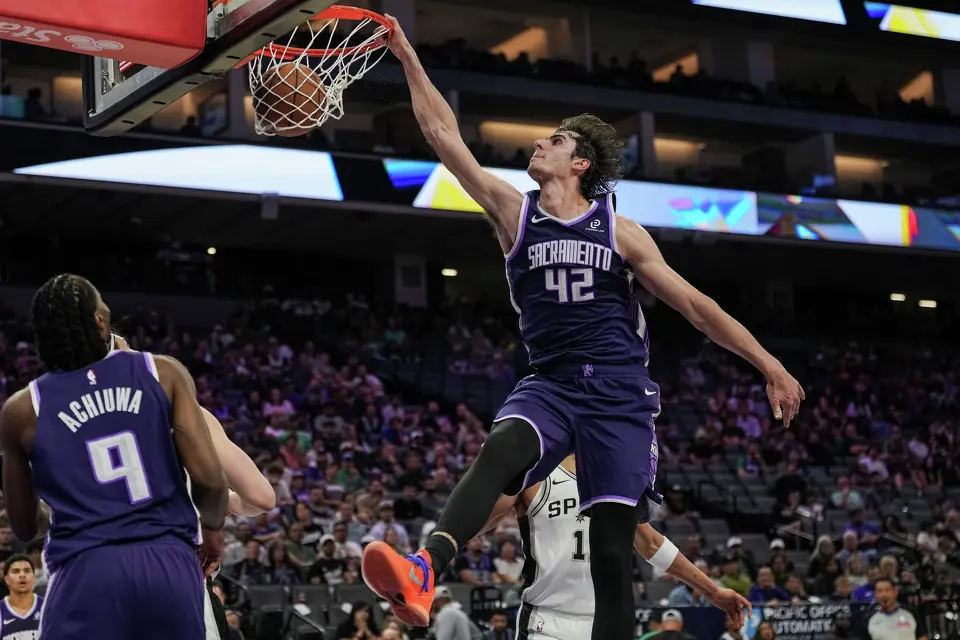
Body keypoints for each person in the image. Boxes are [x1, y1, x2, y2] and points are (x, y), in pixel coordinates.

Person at [362, 16, 803, 640]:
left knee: (612, 553)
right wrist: (407, 55)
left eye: (556, 140)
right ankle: (424, 569)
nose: (541, 144)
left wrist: (770, 364)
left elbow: (697, 307)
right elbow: (441, 134)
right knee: (502, 447)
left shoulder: (620, 232)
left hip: (619, 392)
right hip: (552, 381)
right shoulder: (513, 213)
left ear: (581, 162)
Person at [0, 274, 229, 640]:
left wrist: (65, 508)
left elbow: (26, 527)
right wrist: (213, 530)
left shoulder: (22, 410)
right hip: (168, 563)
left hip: (85, 570)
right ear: (100, 320)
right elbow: (210, 480)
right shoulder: (162, 372)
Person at [113, 333, 276, 640]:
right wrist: (227, 504)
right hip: (177, 580)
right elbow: (262, 497)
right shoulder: (185, 414)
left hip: (97, 588)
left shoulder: (62, 418)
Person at [479, 456, 749, 639]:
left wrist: (712, 591)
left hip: (606, 622)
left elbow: (650, 542)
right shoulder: (534, 473)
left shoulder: (613, 477)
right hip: (546, 621)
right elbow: (478, 523)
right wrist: (493, 474)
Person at [859, 578, 927, 640]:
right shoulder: (868, 619)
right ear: (875, 595)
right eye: (880, 591)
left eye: (887, 590)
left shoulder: (911, 612)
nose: (884, 594)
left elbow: (922, 636)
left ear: (895, 592)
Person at [0, 554, 41, 640]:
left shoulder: (47, 607)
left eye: (27, 571)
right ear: (6, 579)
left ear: (33, 577)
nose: (22, 575)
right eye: (16, 571)